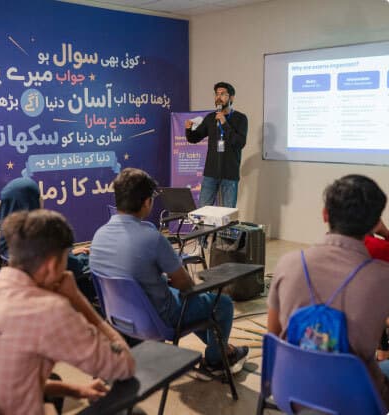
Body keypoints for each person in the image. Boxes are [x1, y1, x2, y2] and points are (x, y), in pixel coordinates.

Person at [0, 209, 135, 415]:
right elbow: (123, 366)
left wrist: (74, 390)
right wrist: (79, 301)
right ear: (51, 266)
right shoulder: (47, 309)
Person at [90, 168, 248, 375]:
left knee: (200, 307)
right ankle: (216, 359)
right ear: (147, 202)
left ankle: (222, 349)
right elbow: (186, 286)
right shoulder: (152, 237)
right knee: (221, 304)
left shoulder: (98, 236)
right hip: (158, 320)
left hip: (119, 319)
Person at [267, 174, 389, 406]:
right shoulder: (382, 278)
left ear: (325, 214)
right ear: (375, 223)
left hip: (288, 390)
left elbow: (273, 336)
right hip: (356, 401)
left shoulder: (288, 263)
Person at [185, 82, 248, 208]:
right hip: (211, 173)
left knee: (227, 215)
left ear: (231, 98)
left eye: (223, 94)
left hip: (229, 174)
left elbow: (239, 143)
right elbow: (195, 138)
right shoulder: (210, 118)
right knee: (203, 212)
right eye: (217, 94)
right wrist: (188, 130)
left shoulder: (240, 118)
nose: (219, 97)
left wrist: (224, 123)